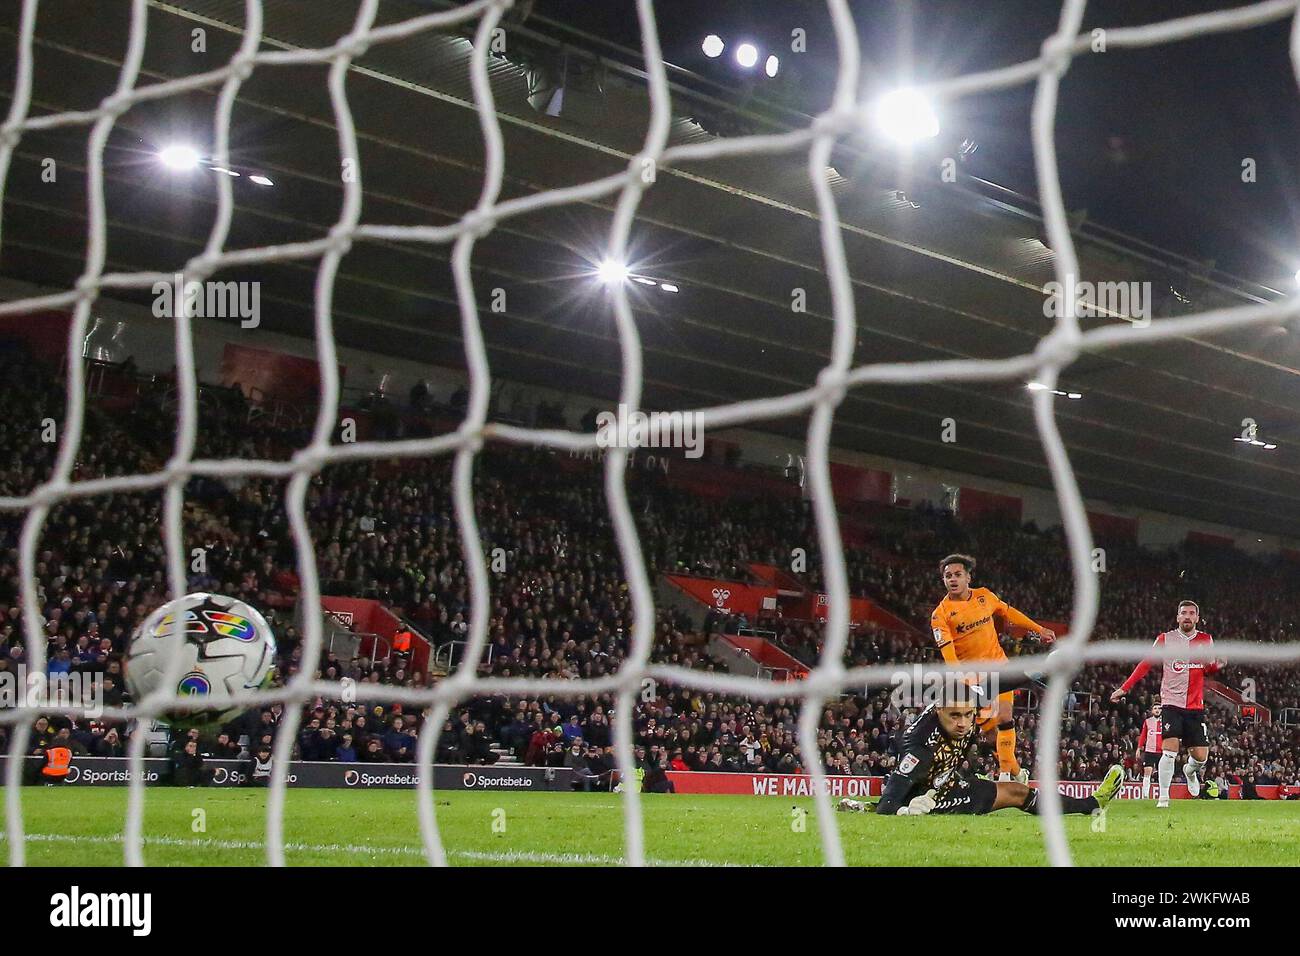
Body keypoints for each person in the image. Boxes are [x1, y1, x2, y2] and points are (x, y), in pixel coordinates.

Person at [838, 699, 1123, 817]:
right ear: (939, 713)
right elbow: (891, 801)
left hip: (945, 784)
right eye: (955, 716)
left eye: (967, 715)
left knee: (1017, 791)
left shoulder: (965, 715)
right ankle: (882, 810)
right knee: (901, 809)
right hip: (925, 796)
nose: (963, 723)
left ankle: (1092, 804)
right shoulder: (919, 748)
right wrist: (900, 810)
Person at [929, 553, 1056, 783]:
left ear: (969, 577)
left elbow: (1009, 612)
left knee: (1005, 716)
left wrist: (1039, 629)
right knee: (989, 736)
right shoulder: (940, 615)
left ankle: (1006, 777)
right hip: (973, 679)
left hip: (1000, 669)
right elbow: (949, 655)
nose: (952, 579)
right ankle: (1017, 773)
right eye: (948, 576)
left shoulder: (984, 596)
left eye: (957, 574)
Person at [1111, 601, 1223, 808]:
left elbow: (1209, 667)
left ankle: (1190, 772)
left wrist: (1217, 665)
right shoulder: (1165, 639)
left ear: (1197, 618)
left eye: (1191, 613)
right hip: (1171, 703)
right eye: (1183, 613)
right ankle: (1163, 797)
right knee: (1169, 752)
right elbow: (1145, 664)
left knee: (1200, 758)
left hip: (1194, 707)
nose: (1187, 617)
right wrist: (1124, 688)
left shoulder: (1206, 640)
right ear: (1177, 617)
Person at [1137, 703, 1163, 799]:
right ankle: (1145, 795)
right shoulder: (1147, 721)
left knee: (1162, 774)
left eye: (1159, 708)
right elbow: (1143, 736)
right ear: (1152, 711)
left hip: (1161, 751)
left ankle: (1163, 795)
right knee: (1147, 772)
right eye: (1155, 708)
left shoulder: (1165, 722)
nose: (1157, 710)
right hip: (1150, 751)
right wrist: (1139, 748)